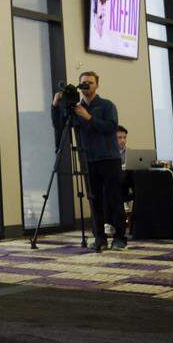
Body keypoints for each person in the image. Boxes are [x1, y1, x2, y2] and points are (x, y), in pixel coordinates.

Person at [52, 71, 126, 252]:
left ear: (97, 85)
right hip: (88, 160)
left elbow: (111, 128)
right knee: (95, 201)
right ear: (79, 86)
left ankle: (120, 238)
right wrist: (55, 106)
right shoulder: (75, 109)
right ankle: (99, 238)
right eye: (83, 83)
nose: (87, 86)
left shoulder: (107, 105)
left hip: (109, 159)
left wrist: (89, 118)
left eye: (90, 83)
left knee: (114, 199)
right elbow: (60, 128)